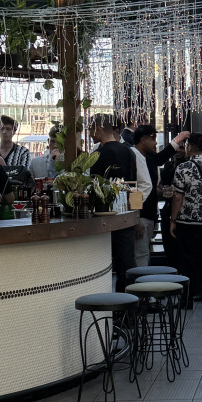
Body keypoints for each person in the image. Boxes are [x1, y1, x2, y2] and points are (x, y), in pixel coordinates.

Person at [89, 114, 140, 289]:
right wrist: (136, 214)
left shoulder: (98, 154)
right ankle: (129, 306)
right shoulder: (129, 152)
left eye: (90, 128)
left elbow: (94, 187)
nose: (89, 132)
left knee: (104, 264)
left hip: (104, 215)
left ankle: (115, 306)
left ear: (99, 128)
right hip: (126, 214)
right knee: (126, 264)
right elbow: (134, 185)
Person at [133, 124, 189, 268]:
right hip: (141, 214)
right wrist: (136, 216)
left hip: (150, 212)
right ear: (143, 139)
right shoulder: (132, 155)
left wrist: (160, 190)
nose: (155, 143)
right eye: (153, 139)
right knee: (141, 253)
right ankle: (139, 286)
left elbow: (160, 160)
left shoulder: (149, 157)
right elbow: (132, 188)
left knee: (144, 252)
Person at [169, 133, 202, 305]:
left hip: (187, 221)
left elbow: (178, 197)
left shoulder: (183, 168)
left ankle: (188, 296)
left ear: (189, 147)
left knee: (187, 259)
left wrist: (173, 220)